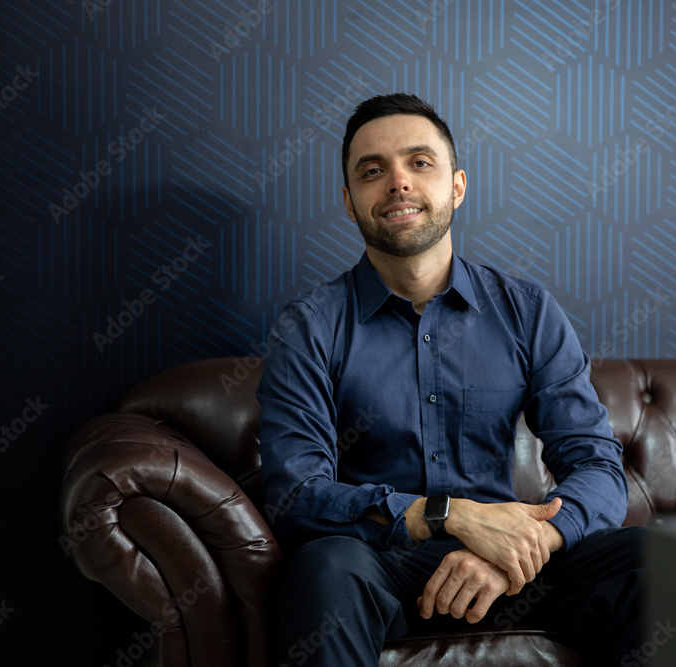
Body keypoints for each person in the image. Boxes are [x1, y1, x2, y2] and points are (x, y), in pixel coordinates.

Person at [256, 93, 644, 666]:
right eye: (372, 171)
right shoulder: (309, 328)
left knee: (652, 560)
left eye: (420, 163)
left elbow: (596, 465)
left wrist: (517, 549)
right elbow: (295, 494)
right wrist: (445, 514)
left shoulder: (527, 312)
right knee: (325, 568)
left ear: (457, 186)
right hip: (382, 565)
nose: (398, 183)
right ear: (349, 202)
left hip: (513, 571)